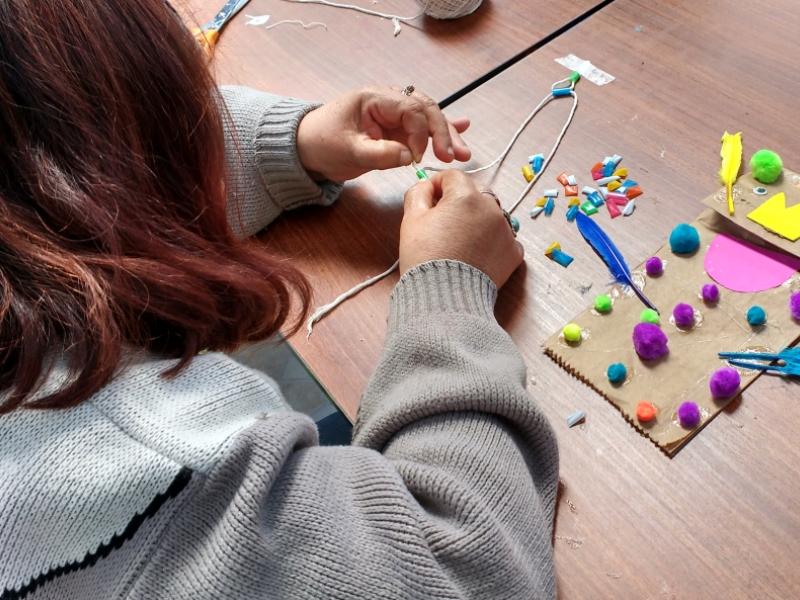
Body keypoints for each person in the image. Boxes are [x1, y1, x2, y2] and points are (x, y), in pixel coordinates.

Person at [0, 1, 559, 599]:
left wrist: (295, 142)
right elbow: (470, 573)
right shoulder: (129, 467)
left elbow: (82, 165)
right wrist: (449, 292)